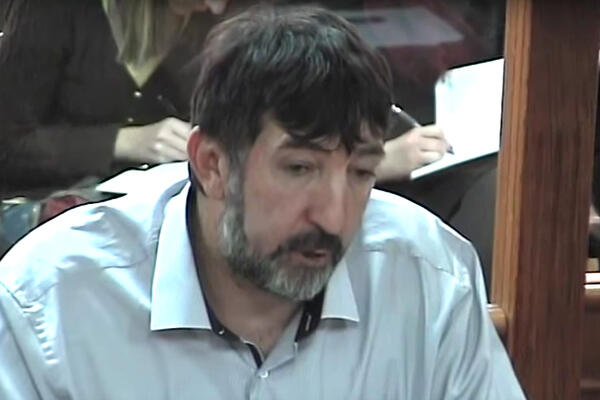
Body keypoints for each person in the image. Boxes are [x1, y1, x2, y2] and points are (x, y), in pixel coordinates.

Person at [0, 5, 524, 399]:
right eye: (299, 169)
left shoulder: (431, 279)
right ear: (212, 165)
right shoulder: (50, 305)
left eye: (361, 173)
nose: (335, 216)